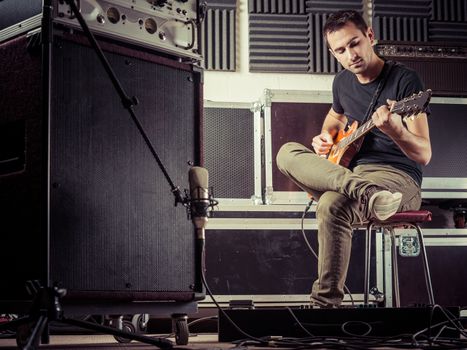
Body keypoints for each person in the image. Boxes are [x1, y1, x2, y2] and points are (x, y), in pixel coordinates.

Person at [276, 10, 431, 308]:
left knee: (332, 203)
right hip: (354, 179)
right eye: (341, 50)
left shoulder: (404, 80)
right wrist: (326, 139)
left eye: (355, 43)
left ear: (370, 36)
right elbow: (334, 120)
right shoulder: (342, 83)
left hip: (398, 179)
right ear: (334, 54)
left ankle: (324, 306)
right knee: (287, 152)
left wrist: (396, 130)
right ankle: (365, 192)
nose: (351, 55)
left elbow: (423, 153)